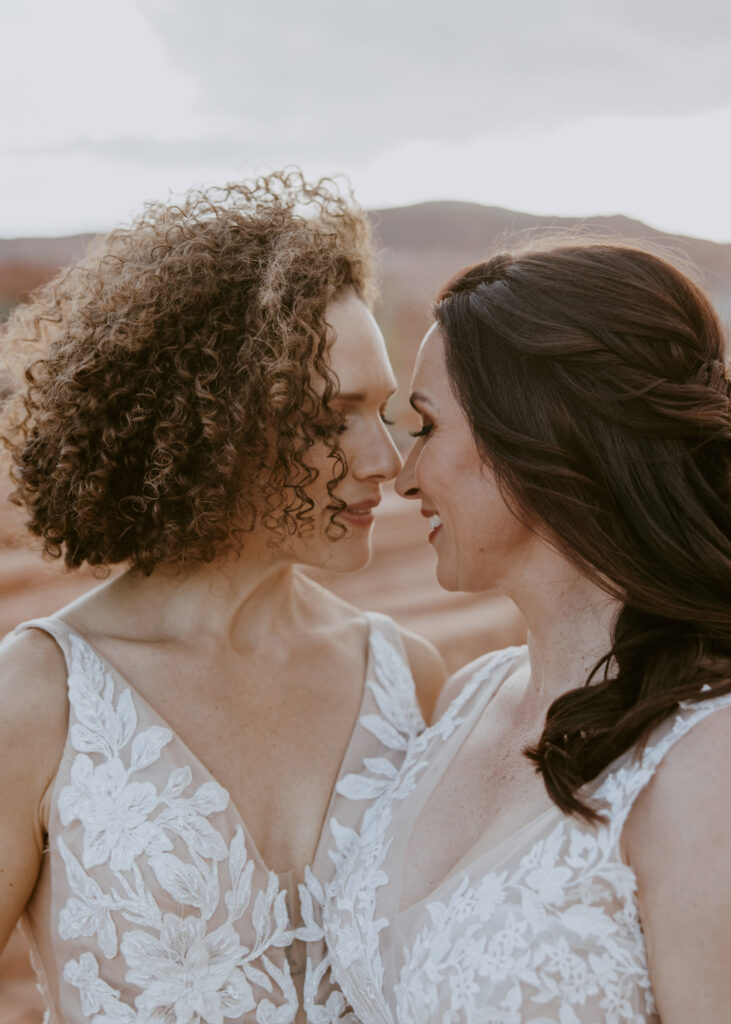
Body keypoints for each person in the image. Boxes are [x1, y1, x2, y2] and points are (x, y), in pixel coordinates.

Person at [0, 171, 445, 1024]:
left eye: (382, 413)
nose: (383, 462)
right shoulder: (39, 700)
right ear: (210, 424)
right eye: (330, 418)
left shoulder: (408, 680)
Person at [323, 243, 731, 1023]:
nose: (403, 476)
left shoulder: (705, 762)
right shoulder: (469, 698)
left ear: (543, 437)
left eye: (426, 426)